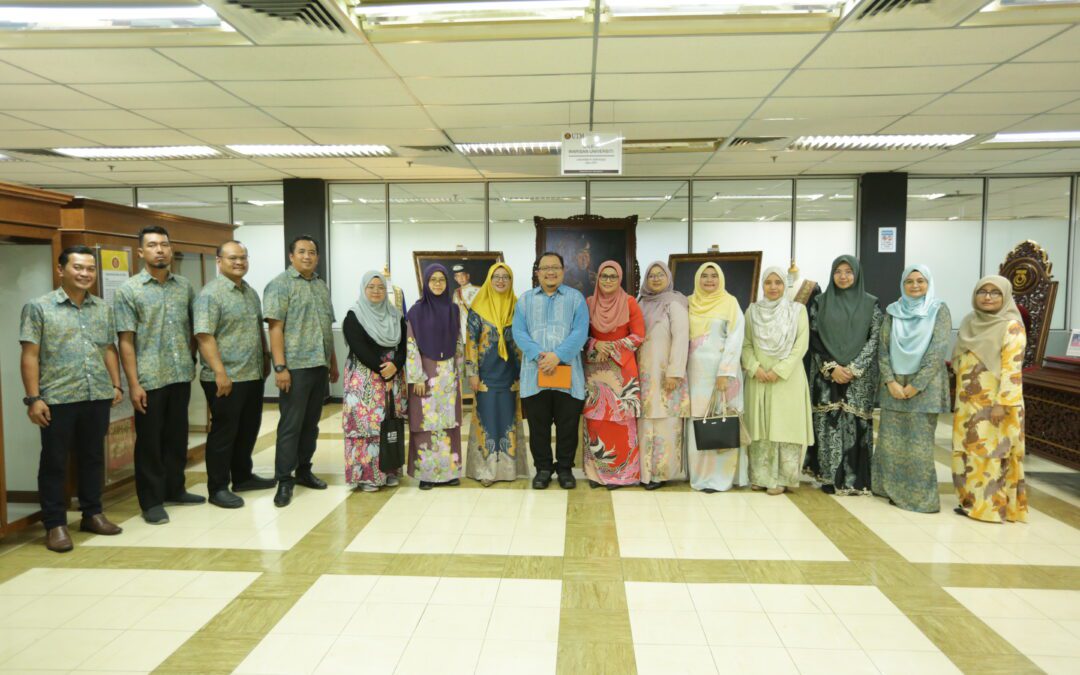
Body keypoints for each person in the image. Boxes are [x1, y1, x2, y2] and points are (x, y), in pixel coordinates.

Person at [20, 246, 125, 552]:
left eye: (90, 269)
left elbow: (108, 348)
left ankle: (92, 513)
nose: (85, 274)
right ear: (61, 269)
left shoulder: (102, 308)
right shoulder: (39, 307)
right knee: (54, 461)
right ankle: (55, 524)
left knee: (93, 457)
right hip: (57, 398)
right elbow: (30, 355)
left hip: (96, 394)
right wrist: (33, 398)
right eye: (78, 267)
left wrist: (116, 384)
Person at [115, 225, 203, 525]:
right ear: (141, 252)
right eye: (152, 245)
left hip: (180, 374)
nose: (160, 250)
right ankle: (151, 501)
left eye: (164, 244)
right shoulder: (129, 290)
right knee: (150, 442)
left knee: (177, 437)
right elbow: (125, 340)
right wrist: (134, 384)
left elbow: (192, 328)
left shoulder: (184, 287)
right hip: (149, 379)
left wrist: (191, 360)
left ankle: (174, 489)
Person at [193, 241, 276, 510]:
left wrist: (265, 358)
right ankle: (217, 487)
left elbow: (256, 330)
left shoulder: (249, 292)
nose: (239, 262)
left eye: (243, 257)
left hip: (251, 374)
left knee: (248, 429)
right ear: (219, 261)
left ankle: (242, 476)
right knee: (224, 433)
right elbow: (204, 336)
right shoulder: (211, 294)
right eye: (232, 258)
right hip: (225, 377)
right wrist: (220, 372)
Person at [264, 235, 338, 508]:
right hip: (294, 369)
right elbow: (275, 328)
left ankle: (304, 469)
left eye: (312, 252)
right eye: (302, 252)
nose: (308, 256)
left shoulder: (320, 286)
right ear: (291, 256)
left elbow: (325, 326)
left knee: (311, 424)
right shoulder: (280, 286)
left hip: (318, 366)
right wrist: (280, 367)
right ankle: (284, 479)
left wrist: (332, 361)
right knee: (291, 426)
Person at [874, 265, 951, 513]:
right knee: (890, 443)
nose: (915, 285)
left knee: (919, 446)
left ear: (928, 283)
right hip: (893, 385)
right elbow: (882, 349)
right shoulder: (893, 311)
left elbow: (938, 350)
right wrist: (890, 381)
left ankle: (920, 498)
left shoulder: (938, 310)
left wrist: (916, 385)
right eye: (909, 281)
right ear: (902, 284)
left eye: (920, 281)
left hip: (925, 389)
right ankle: (888, 489)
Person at [803, 255, 882, 495]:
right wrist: (832, 367)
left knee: (856, 425)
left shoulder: (871, 304)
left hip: (860, 376)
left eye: (849, 271)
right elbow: (813, 337)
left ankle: (855, 479)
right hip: (826, 374)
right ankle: (828, 476)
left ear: (857, 274)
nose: (843, 276)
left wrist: (854, 367)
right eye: (838, 271)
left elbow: (875, 338)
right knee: (827, 425)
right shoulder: (819, 302)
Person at [952, 275, 1027, 524]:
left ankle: (992, 508)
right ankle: (969, 503)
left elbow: (1012, 370)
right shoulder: (969, 322)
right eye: (982, 291)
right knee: (968, 453)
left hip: (997, 405)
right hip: (967, 404)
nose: (987, 296)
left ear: (1005, 296)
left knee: (993, 453)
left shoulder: (1011, 326)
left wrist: (1001, 404)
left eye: (995, 292)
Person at [512, 251, 590, 490]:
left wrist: (557, 356)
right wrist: (540, 356)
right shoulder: (525, 300)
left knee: (567, 427)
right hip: (535, 375)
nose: (550, 272)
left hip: (568, 375)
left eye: (555, 267)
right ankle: (543, 469)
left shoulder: (576, 299)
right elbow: (519, 333)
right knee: (538, 427)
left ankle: (565, 469)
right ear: (538, 273)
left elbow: (580, 332)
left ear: (563, 271)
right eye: (545, 268)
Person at [742, 266, 813, 495]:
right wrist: (755, 367)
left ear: (785, 285)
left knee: (785, 426)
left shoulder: (797, 310)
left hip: (787, 379)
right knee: (759, 427)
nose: (773, 287)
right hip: (759, 378)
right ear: (762, 285)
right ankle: (761, 476)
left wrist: (779, 370)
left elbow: (800, 345)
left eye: (778, 282)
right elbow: (745, 344)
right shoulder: (752, 311)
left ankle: (783, 478)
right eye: (768, 282)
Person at [342, 271, 407, 492]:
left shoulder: (395, 315)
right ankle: (366, 476)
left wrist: (395, 366)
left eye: (380, 287)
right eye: (371, 287)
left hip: (391, 378)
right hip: (365, 380)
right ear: (363, 289)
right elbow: (360, 349)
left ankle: (388, 470)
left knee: (388, 425)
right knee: (365, 427)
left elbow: (403, 347)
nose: (377, 291)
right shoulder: (354, 316)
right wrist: (384, 371)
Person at [685, 262, 747, 493]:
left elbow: (736, 338)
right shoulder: (689, 303)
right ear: (697, 279)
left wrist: (725, 372)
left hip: (723, 374)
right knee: (699, 422)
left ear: (721, 279)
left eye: (714, 276)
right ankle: (700, 477)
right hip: (696, 374)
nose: (709, 280)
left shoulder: (730, 303)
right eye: (704, 276)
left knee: (723, 420)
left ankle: (721, 479)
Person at [465, 263, 527, 486]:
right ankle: (485, 470)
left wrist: (523, 373)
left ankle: (508, 470)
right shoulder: (477, 309)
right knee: (487, 420)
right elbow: (470, 342)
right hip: (485, 376)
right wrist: (472, 373)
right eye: (496, 277)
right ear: (489, 280)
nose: (501, 281)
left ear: (511, 282)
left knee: (508, 419)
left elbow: (522, 343)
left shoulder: (518, 307)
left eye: (506, 277)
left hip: (511, 375)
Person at [583, 261, 644, 488]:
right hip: (595, 370)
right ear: (598, 279)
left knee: (621, 421)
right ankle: (597, 475)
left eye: (613, 276)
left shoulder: (629, 303)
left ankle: (623, 475)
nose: (608, 280)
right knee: (596, 421)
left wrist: (612, 346)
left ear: (619, 279)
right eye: (604, 276)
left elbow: (639, 335)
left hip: (622, 370)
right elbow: (582, 333)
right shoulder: (589, 303)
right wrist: (596, 344)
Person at [406, 264, 464, 490]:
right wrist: (417, 376)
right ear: (426, 283)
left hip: (448, 376)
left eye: (442, 279)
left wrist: (459, 372)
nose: (438, 284)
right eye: (433, 280)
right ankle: (427, 475)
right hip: (425, 375)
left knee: (449, 424)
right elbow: (411, 345)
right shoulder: (416, 311)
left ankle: (449, 472)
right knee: (425, 424)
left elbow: (458, 341)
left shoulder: (453, 309)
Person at [636, 261, 689, 490]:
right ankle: (645, 473)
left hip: (666, 374)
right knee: (645, 424)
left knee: (666, 425)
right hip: (643, 373)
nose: (656, 279)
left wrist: (675, 372)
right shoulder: (640, 303)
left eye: (660, 275)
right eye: (651, 275)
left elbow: (681, 338)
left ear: (668, 277)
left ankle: (661, 474)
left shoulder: (674, 303)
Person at [451, 264, 479, 343]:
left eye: (462, 275)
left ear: (468, 276)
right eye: (457, 276)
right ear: (455, 279)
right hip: (462, 328)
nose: (461, 278)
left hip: (476, 326)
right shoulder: (456, 293)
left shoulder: (478, 290)